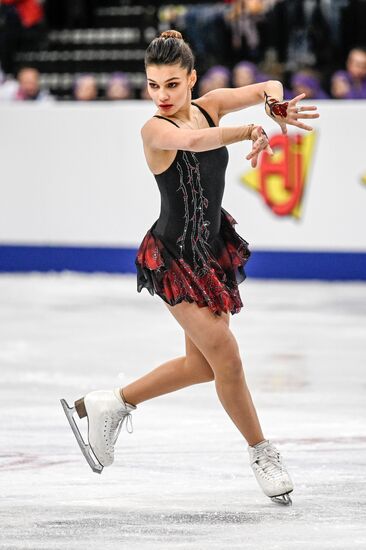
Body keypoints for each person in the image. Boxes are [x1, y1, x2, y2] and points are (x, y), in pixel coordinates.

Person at [61, 30, 319, 506]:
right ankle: (262, 451)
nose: (161, 95)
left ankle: (111, 403)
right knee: (227, 357)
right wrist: (246, 131)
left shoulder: (211, 103)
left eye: (172, 84)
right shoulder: (155, 130)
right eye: (153, 84)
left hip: (210, 248)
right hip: (174, 256)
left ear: (192, 80)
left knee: (201, 365)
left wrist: (274, 105)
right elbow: (196, 140)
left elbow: (269, 87)